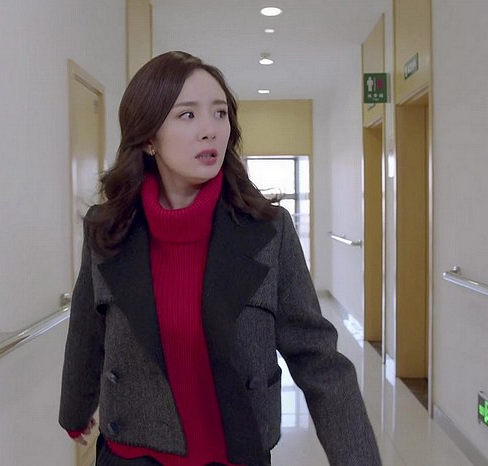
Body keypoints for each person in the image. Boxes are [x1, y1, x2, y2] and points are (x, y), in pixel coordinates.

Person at [59, 50, 381, 466]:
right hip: (134, 455)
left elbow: (318, 359)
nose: (210, 130)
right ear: (148, 138)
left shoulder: (268, 231)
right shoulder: (108, 229)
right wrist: (75, 408)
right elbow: (87, 330)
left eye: (220, 113)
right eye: (187, 115)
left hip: (237, 453)